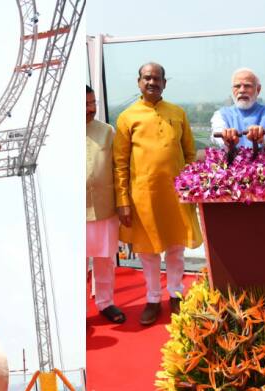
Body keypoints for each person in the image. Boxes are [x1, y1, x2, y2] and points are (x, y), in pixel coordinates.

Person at [113, 62, 203, 325]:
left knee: (176, 248)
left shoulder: (177, 112)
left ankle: (175, 294)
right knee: (148, 252)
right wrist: (122, 201)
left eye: (157, 79)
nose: (152, 82)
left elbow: (189, 153)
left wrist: (191, 187)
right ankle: (153, 299)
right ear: (139, 82)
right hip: (143, 196)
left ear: (165, 83)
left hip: (176, 193)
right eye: (147, 78)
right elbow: (119, 163)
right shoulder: (127, 117)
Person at [210, 68, 265, 266]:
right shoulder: (221, 114)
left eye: (247, 85)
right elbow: (217, 133)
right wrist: (226, 137)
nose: (242, 90)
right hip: (232, 186)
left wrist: (261, 135)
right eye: (237, 86)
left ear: (258, 89)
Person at [86, 84, 125, 324]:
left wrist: (123, 203)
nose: (91, 109)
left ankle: (105, 303)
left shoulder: (107, 131)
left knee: (104, 259)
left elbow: (119, 169)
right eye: (85, 105)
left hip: (104, 206)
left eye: (93, 104)